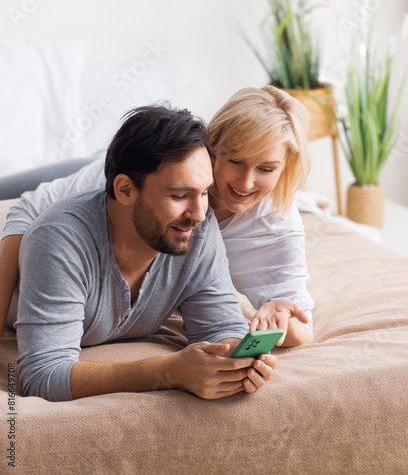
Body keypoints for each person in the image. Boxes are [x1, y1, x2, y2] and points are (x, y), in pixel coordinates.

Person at [0, 85, 313, 347]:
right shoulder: (146, 170)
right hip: (91, 172)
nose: (246, 183)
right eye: (235, 161)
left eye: (267, 169)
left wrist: (277, 319)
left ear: (285, 168)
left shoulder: (276, 226)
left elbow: (301, 326)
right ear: (212, 149)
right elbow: (29, 210)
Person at [3, 105, 277, 402]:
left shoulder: (198, 227)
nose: (199, 214)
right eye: (179, 195)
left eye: (204, 193)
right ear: (125, 190)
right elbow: (43, 376)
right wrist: (167, 371)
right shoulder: (59, 241)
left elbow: (221, 327)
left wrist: (236, 360)